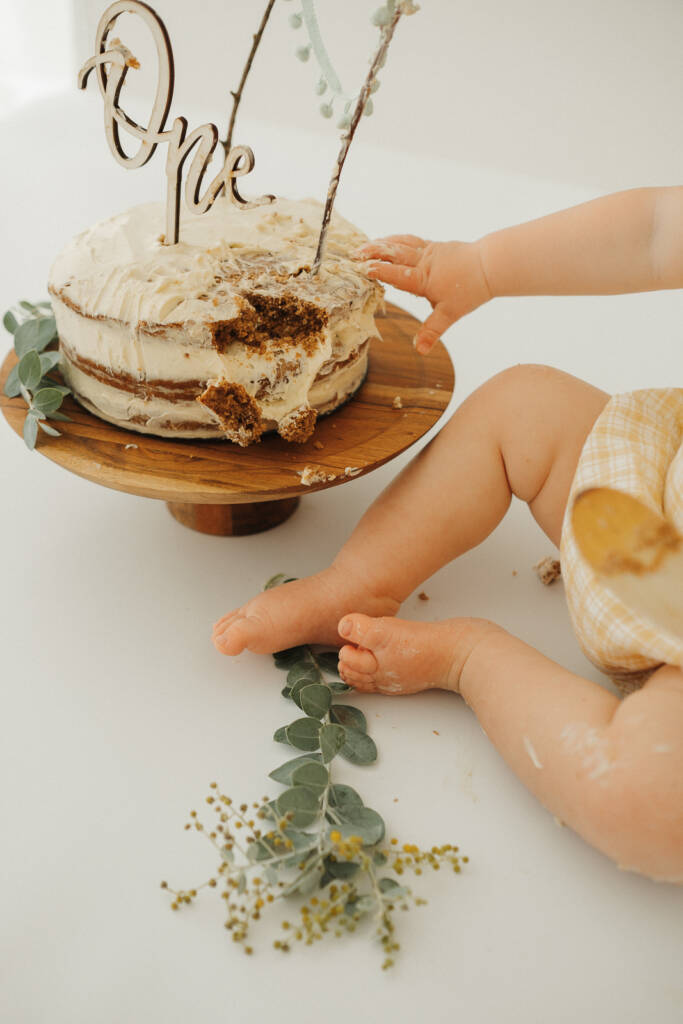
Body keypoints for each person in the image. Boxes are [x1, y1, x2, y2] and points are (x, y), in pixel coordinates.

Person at [213, 187, 683, 883]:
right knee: (521, 406)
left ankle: (470, 658)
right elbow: (652, 229)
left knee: (650, 809)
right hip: (651, 506)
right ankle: (361, 581)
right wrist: (486, 265)